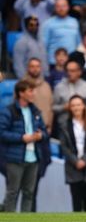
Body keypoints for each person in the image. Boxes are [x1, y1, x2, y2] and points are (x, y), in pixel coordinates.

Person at [0, 80, 49, 212]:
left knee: (29, 193)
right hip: (15, 158)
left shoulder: (35, 111)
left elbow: (45, 131)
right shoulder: (8, 111)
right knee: (12, 192)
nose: (34, 94)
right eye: (30, 91)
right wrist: (21, 138)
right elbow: (2, 133)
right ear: (21, 93)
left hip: (33, 157)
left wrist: (41, 136)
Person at [59, 95, 86, 211]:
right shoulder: (64, 125)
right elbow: (64, 146)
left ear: (83, 106)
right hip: (73, 168)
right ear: (70, 108)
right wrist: (76, 161)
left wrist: (84, 160)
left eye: (78, 104)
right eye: (73, 105)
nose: (76, 107)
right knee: (77, 204)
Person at [40, 0, 81, 66]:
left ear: (68, 7)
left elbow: (78, 43)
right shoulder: (48, 23)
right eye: (58, 6)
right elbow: (43, 46)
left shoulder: (74, 21)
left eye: (64, 6)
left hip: (71, 63)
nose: (61, 9)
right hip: (54, 63)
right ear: (55, 8)